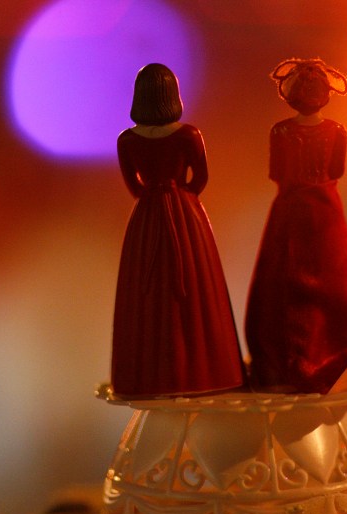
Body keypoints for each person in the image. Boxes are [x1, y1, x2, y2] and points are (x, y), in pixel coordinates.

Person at [245, 58, 347, 394]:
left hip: (290, 209)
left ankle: (283, 360)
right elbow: (337, 170)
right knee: (333, 279)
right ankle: (329, 354)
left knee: (282, 278)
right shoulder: (337, 132)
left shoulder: (281, 131)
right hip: (325, 209)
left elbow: (276, 173)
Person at [112, 63, 244, 398]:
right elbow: (200, 178)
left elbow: (134, 185)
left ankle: (150, 374)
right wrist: (182, 198)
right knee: (194, 287)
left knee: (148, 289)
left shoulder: (127, 140)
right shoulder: (188, 135)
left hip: (147, 215)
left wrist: (153, 201)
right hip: (184, 212)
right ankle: (201, 368)